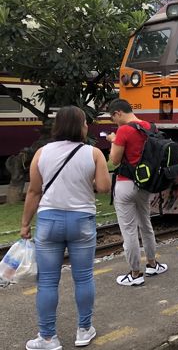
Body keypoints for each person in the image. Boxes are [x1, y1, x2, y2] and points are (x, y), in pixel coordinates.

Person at [21, 106, 111, 350]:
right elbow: (103, 187)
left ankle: (48, 338)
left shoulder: (41, 153)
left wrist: (25, 224)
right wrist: (87, 179)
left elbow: (34, 191)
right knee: (83, 278)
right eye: (84, 123)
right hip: (81, 220)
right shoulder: (93, 153)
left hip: (49, 221)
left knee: (48, 282)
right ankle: (83, 330)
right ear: (81, 126)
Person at [106, 99, 168, 286]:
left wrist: (113, 141)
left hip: (125, 185)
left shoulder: (123, 130)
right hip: (145, 184)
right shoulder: (150, 127)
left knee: (129, 230)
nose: (114, 122)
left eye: (113, 118)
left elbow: (114, 161)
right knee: (146, 224)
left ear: (118, 113)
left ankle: (135, 274)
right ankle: (152, 264)